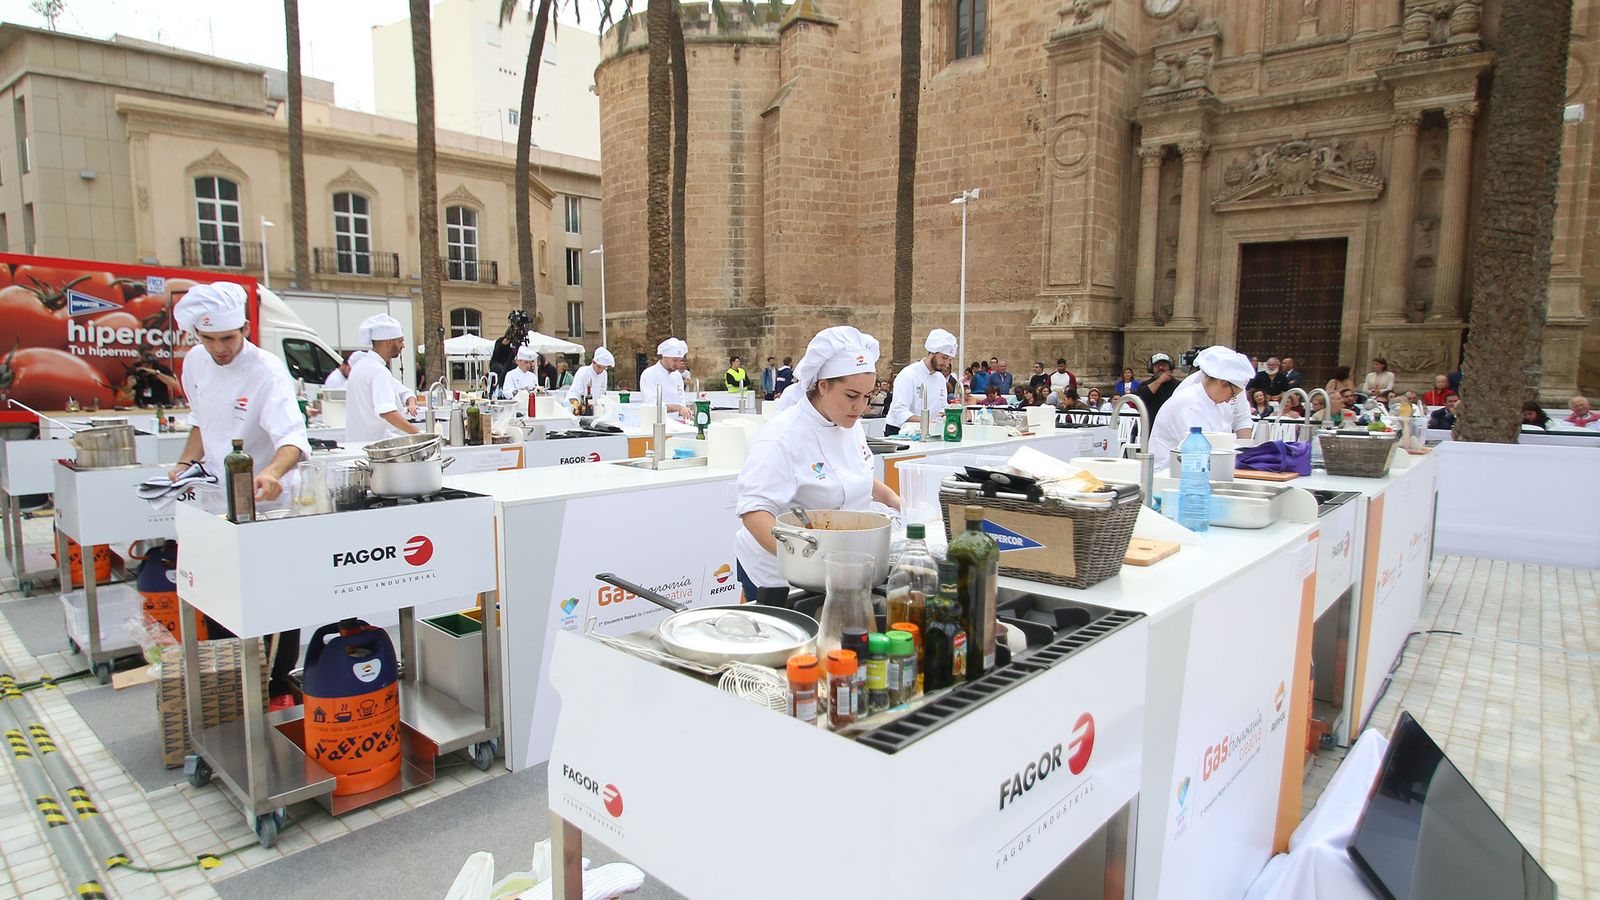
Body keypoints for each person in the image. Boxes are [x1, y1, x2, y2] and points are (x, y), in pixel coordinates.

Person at [170, 282, 310, 704]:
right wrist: (182, 465)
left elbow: (293, 439)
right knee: (220, 595)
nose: (219, 348)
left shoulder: (267, 370)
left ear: (245, 328)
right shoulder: (195, 363)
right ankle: (232, 683)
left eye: (228, 338)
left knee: (277, 595)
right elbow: (201, 424)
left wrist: (270, 474)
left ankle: (276, 684)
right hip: (216, 500)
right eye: (208, 339)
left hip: (267, 502)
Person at [735, 326, 901, 599]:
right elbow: (754, 511)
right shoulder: (781, 437)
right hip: (782, 576)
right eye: (851, 396)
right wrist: (802, 562)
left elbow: (848, 475)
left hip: (839, 569)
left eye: (867, 397)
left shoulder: (849, 423)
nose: (860, 407)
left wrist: (893, 500)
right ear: (823, 386)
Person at [1147, 346, 1254, 471]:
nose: (1229, 400)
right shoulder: (1189, 404)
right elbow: (1204, 452)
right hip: (1171, 475)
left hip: (1198, 472)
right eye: (1232, 394)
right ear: (1221, 382)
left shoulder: (1214, 401)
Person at [344, 314, 420, 442]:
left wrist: (411, 401)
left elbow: (402, 391)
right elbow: (387, 412)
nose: (403, 345)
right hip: (373, 447)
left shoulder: (361, 366)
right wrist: (418, 434)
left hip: (356, 444)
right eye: (400, 341)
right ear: (389, 341)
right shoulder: (378, 372)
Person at [886, 328, 957, 436]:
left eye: (949, 359)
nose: (946, 363)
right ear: (932, 352)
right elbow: (899, 411)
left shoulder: (940, 378)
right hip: (900, 432)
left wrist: (947, 416)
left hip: (929, 432)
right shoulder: (908, 375)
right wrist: (924, 421)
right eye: (944, 357)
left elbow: (942, 407)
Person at [639, 338, 694, 417]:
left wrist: (685, 410)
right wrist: (677, 408)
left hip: (677, 424)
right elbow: (652, 404)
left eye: (680, 360)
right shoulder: (649, 374)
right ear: (665, 357)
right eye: (675, 360)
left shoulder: (677, 375)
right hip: (655, 423)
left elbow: (681, 400)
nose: (678, 364)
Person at [1132, 353, 1178, 423]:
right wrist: (1160, 380)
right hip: (1150, 425)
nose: (1160, 368)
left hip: (1172, 425)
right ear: (1152, 369)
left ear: (1170, 367)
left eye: (1164, 365)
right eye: (1157, 366)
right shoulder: (1144, 385)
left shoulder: (1179, 385)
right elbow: (1141, 398)